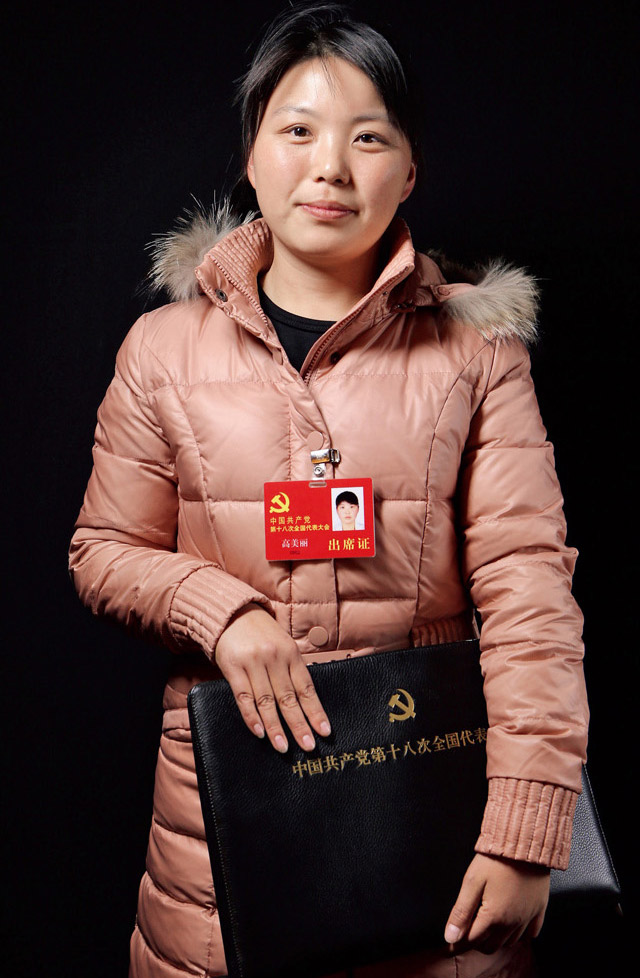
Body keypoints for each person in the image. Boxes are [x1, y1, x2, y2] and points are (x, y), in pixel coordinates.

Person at [69, 4, 588, 976]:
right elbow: (101, 553)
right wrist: (218, 611)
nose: (331, 168)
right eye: (298, 130)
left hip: (427, 806)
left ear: (410, 170)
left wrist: (526, 827)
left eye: (369, 138)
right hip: (219, 830)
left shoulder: (478, 355)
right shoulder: (162, 349)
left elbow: (530, 592)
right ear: (252, 154)